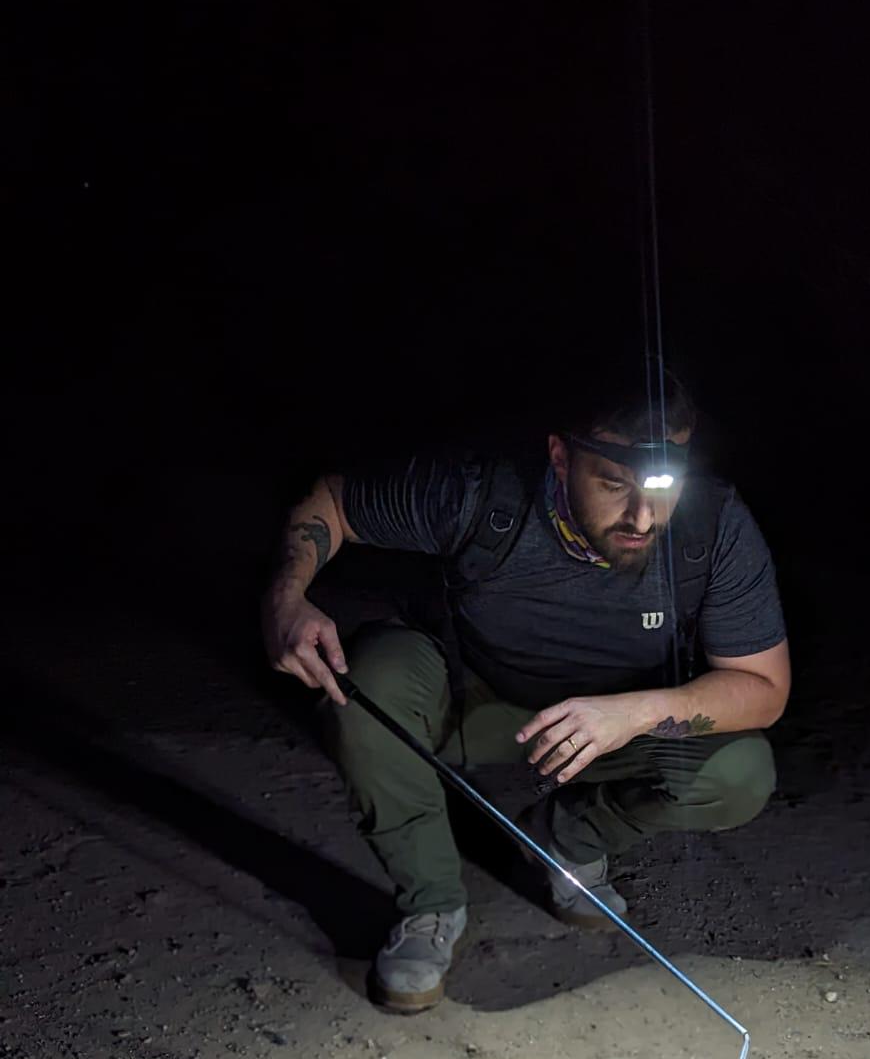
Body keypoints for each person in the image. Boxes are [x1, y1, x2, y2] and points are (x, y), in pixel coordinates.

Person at [261, 372, 790, 1012]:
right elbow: (333, 502)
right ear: (561, 457)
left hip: (616, 722)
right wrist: (287, 599)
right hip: (476, 699)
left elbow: (763, 688)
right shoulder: (481, 493)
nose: (642, 518)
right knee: (365, 684)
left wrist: (643, 710)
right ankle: (430, 905)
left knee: (738, 770)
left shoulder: (715, 526)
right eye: (613, 485)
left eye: (660, 488)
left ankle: (570, 841)